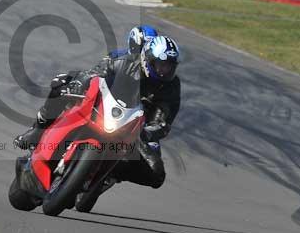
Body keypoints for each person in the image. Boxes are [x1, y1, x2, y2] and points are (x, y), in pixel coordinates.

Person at [13, 35, 181, 196]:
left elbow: (164, 121)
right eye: (161, 65)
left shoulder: (172, 86)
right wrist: (81, 83)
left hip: (137, 129)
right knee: (61, 82)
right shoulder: (126, 61)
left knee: (156, 174)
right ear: (148, 60)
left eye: (170, 66)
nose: (164, 71)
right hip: (108, 107)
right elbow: (97, 72)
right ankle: (38, 129)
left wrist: (149, 132)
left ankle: (113, 172)